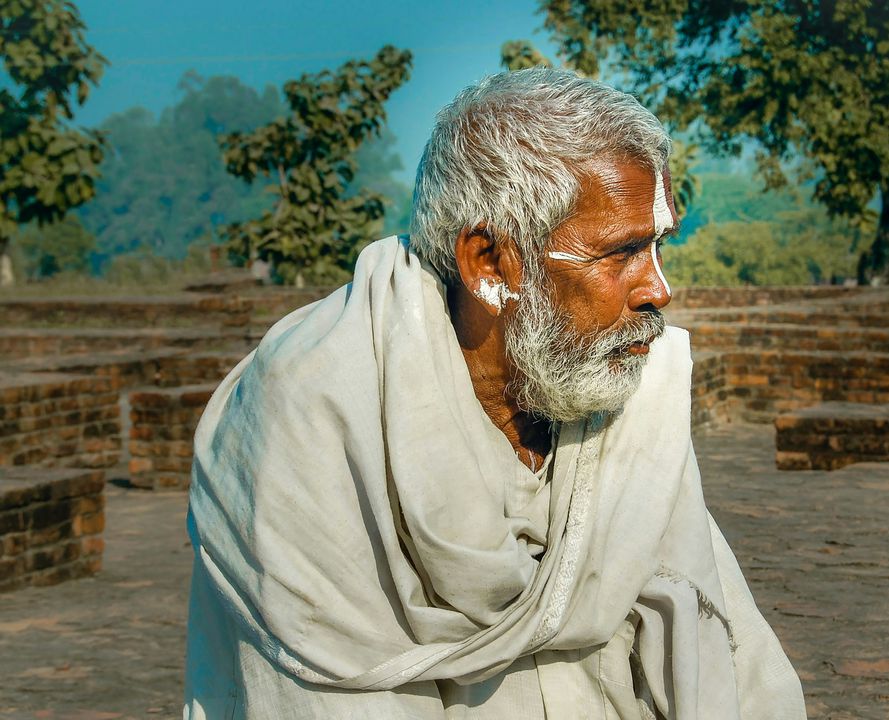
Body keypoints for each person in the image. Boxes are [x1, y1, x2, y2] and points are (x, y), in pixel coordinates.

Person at [184, 68, 806, 719]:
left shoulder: (633, 398)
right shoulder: (315, 408)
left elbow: (723, 641)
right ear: (487, 264)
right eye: (620, 254)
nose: (658, 289)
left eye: (659, 246)